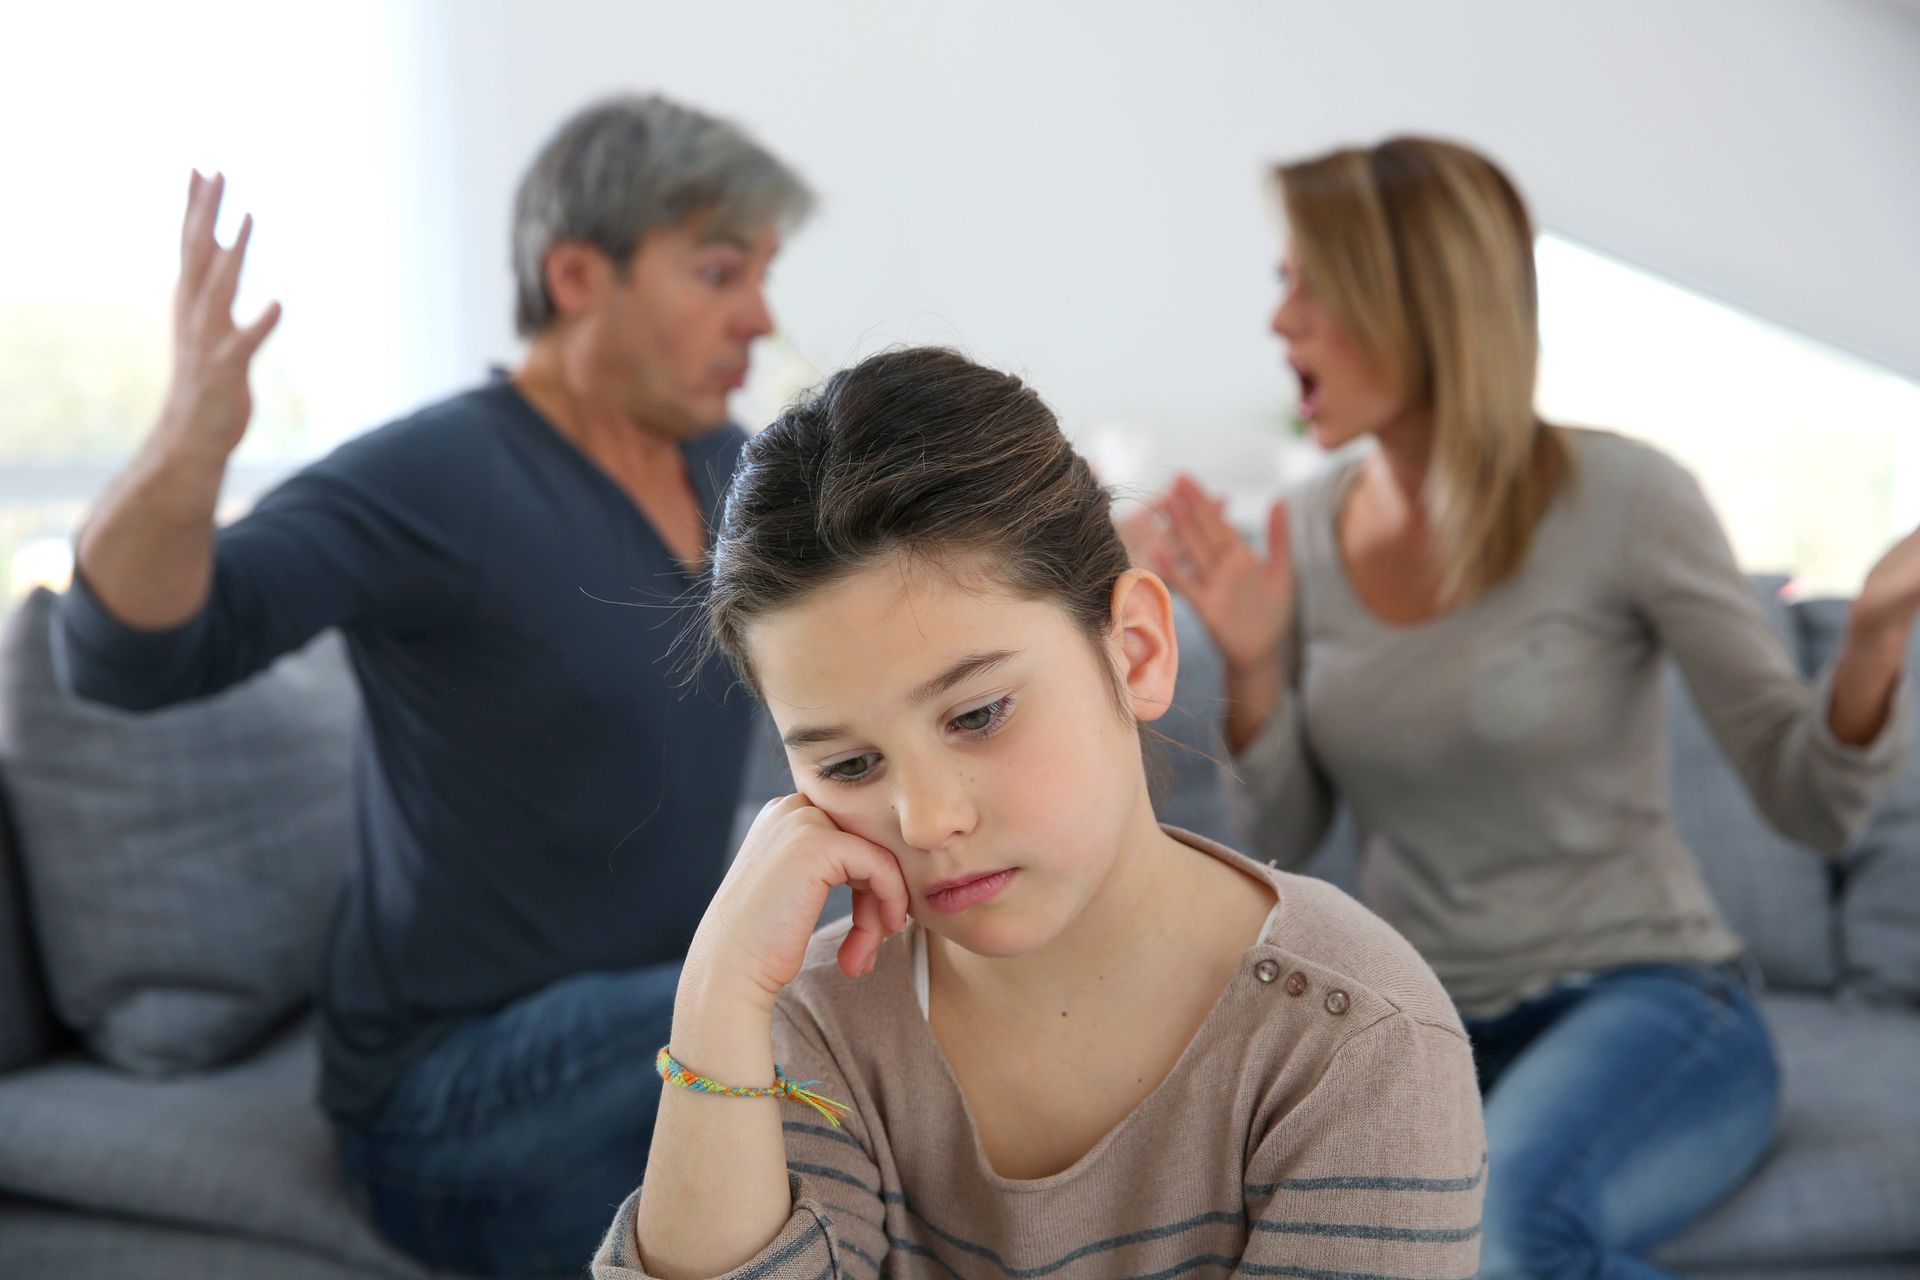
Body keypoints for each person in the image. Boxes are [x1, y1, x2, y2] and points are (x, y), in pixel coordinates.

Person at [55, 95, 813, 1277]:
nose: (760, 315)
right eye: (720, 272)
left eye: (762, 274)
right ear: (577, 275)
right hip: (452, 1090)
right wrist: (189, 440)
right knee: (811, 1017)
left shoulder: (726, 466)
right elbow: (122, 657)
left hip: (648, 1020)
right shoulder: (439, 475)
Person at [1146, 137, 1917, 1280]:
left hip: (1653, 1004)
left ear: (1417, 302)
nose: (1280, 321)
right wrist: (1254, 667)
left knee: (1500, 1245)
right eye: (1282, 283)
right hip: (1430, 1029)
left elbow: (1807, 799)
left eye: (1311, 284)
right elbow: (1299, 843)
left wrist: (1870, 641)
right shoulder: (1308, 528)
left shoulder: (1628, 498)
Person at [590, 347, 1488, 1280]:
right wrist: (714, 995)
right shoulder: (811, 1025)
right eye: (849, 764)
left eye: (978, 714)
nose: (928, 819)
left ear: (1136, 652)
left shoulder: (1356, 1043)